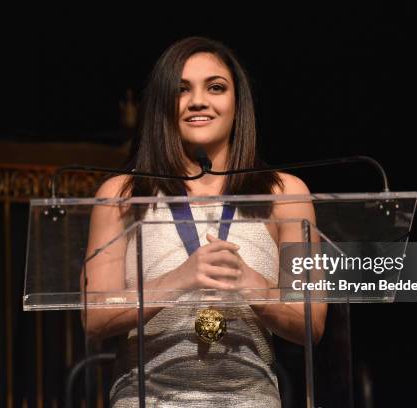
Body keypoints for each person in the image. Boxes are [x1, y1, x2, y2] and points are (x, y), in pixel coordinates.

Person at [83, 36, 327, 407]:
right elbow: (94, 320)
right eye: (181, 90)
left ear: (237, 102)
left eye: (215, 87)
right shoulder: (121, 194)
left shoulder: (285, 194)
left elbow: (312, 324)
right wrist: (177, 281)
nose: (198, 101)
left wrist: (252, 287)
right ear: (163, 104)